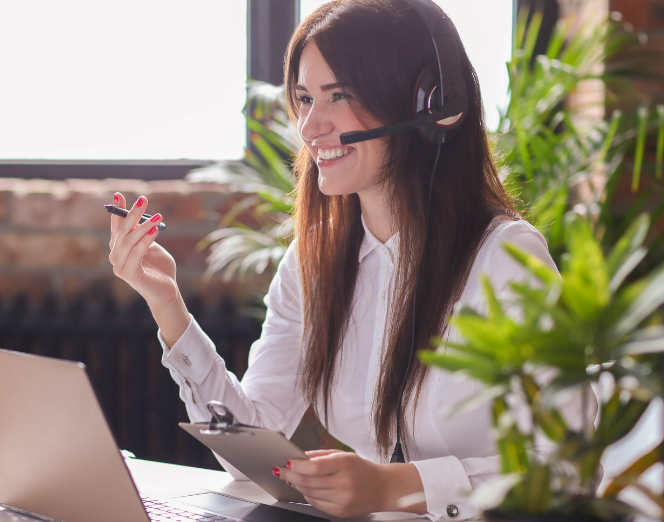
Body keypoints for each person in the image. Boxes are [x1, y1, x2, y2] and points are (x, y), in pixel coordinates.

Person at [108, 1, 582, 520]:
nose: (310, 127)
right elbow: (249, 449)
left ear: (430, 107)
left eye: (340, 96)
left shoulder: (504, 256)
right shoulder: (312, 261)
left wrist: (395, 488)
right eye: (305, 98)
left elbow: (570, 468)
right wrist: (168, 307)